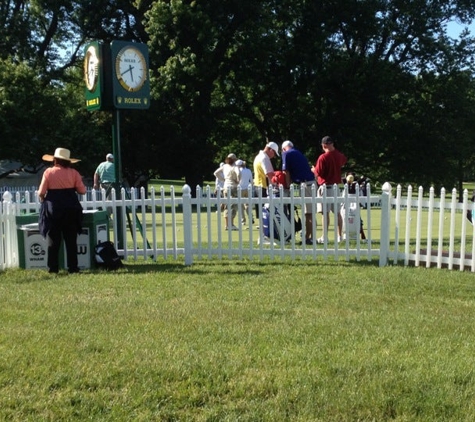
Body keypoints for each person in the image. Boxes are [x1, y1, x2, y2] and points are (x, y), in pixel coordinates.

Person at [38, 147, 87, 274]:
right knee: (71, 240)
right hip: (71, 208)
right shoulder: (74, 173)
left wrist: (43, 198)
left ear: (55, 160)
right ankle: (73, 268)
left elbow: (41, 192)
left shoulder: (48, 172)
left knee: (53, 240)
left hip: (53, 208)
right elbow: (82, 191)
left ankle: (53, 268)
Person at [312, 136, 347, 243]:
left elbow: (319, 172)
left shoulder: (323, 157)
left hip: (325, 187)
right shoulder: (340, 155)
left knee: (325, 213)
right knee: (337, 213)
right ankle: (339, 236)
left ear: (324, 145)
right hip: (336, 187)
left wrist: (313, 169)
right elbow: (343, 161)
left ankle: (324, 236)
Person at [281, 140, 317, 245]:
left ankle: (308, 238)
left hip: (306, 184)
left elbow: (286, 172)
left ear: (283, 149)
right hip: (310, 183)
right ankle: (310, 236)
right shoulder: (298, 152)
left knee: (308, 213)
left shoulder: (286, 154)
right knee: (310, 213)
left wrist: (287, 186)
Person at [253, 141, 279, 222]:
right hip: (263, 187)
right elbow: (269, 174)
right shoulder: (265, 158)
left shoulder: (258, 156)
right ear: (271, 150)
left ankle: (262, 232)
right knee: (266, 213)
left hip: (257, 186)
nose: (274, 156)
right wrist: (276, 186)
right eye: (274, 153)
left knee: (261, 214)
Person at [215, 153, 240, 230]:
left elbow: (216, 173)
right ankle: (231, 224)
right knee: (233, 206)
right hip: (233, 187)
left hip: (225, 187)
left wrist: (223, 179)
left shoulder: (224, 166)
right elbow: (238, 173)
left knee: (226, 205)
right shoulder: (235, 167)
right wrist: (238, 180)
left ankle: (226, 224)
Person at [236, 160, 253, 224]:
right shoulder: (248, 170)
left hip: (240, 188)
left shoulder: (238, 171)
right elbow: (251, 180)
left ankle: (243, 220)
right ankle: (250, 217)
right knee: (247, 205)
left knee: (240, 205)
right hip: (247, 188)